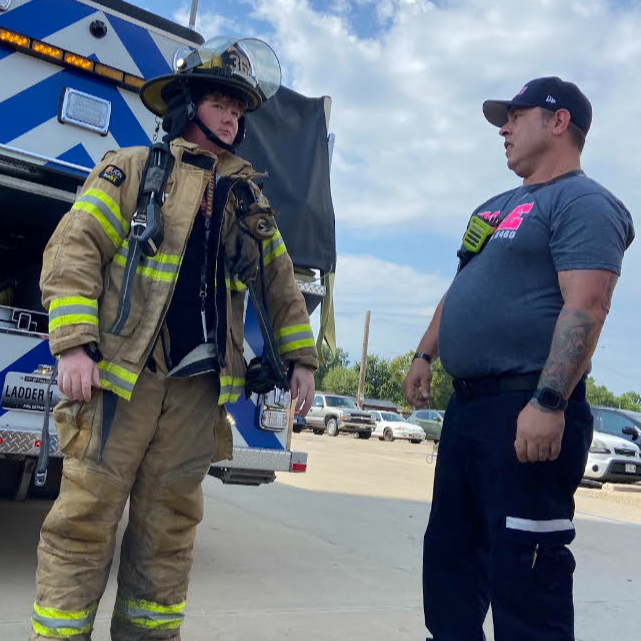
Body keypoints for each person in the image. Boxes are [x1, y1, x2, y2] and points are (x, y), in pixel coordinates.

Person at [31, 36, 317, 641]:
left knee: (169, 531)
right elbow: (74, 251)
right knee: (83, 521)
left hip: (194, 393)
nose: (234, 115)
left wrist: (301, 359)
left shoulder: (246, 198)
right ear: (187, 105)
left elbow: (279, 282)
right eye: (221, 101)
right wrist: (75, 345)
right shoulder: (129, 170)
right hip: (121, 379)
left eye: (240, 108)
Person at [403, 76, 634, 641]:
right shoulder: (494, 208)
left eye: (516, 115)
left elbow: (588, 305)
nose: (503, 128)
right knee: (451, 569)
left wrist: (549, 401)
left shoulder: (584, 202)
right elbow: (464, 285)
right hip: (469, 413)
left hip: (525, 410)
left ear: (559, 122)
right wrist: (424, 354)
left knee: (526, 582)